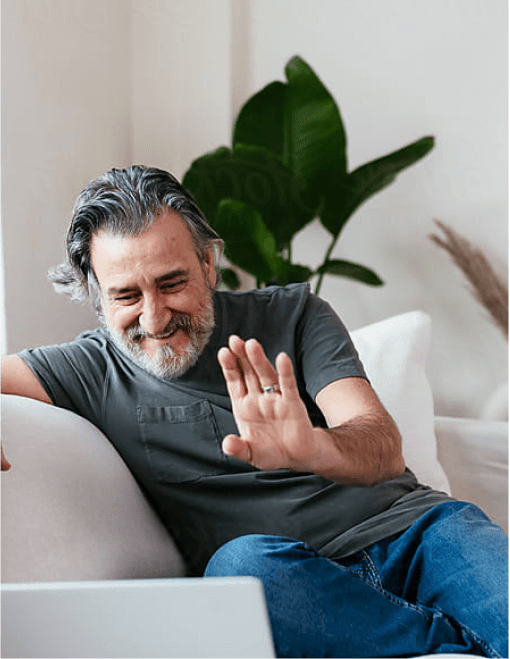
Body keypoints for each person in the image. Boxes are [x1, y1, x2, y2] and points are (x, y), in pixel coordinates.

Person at [1, 165, 507, 659]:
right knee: (240, 568)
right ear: (97, 295)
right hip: (286, 581)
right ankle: (453, 644)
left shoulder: (295, 314)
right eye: (127, 296)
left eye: (172, 282)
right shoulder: (89, 370)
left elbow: (383, 450)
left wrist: (315, 447)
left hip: (418, 534)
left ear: (207, 263)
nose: (154, 319)